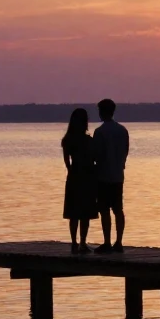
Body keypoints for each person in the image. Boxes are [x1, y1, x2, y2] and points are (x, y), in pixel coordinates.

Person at [91, 98, 129, 253]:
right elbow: (125, 152)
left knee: (105, 210)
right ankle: (119, 242)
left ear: (103, 112)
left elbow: (96, 154)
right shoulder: (122, 130)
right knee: (118, 209)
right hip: (118, 175)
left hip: (103, 176)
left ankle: (107, 242)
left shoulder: (100, 132)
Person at [61, 107, 98, 254]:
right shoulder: (88, 140)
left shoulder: (67, 140)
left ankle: (74, 243)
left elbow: (66, 161)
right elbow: (94, 158)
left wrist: (71, 170)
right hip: (87, 175)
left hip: (74, 175)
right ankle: (82, 242)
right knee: (85, 212)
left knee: (73, 211)